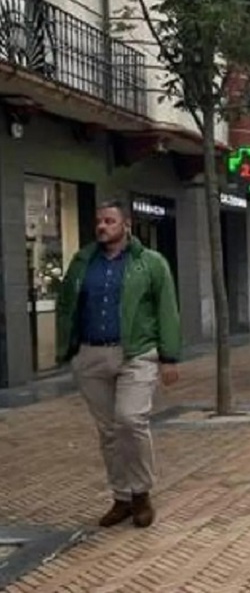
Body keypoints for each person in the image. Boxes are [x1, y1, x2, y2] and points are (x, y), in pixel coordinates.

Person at [55, 199, 181, 529]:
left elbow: (167, 309)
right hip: (91, 354)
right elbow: (67, 305)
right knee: (108, 431)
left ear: (126, 224)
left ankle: (142, 493)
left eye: (109, 221)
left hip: (136, 353)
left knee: (130, 420)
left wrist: (169, 357)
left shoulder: (150, 263)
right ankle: (121, 497)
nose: (101, 227)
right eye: (98, 221)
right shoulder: (83, 262)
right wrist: (68, 349)